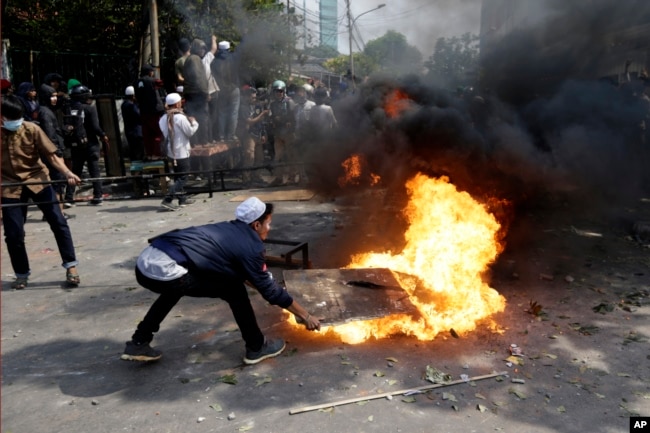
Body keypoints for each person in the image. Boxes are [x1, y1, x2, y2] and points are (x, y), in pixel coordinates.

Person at [120, 196, 321, 364]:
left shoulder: (229, 229)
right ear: (256, 224)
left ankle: (139, 342)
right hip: (167, 271)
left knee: (174, 290)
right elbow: (270, 291)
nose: (270, 227)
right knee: (234, 291)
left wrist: (261, 284)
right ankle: (256, 347)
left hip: (146, 264)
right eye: (268, 222)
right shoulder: (251, 246)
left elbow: (246, 276)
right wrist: (306, 315)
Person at [1, 95, 82, 289]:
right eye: (9, 119)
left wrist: (68, 173)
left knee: (58, 222)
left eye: (17, 118)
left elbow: (52, 157)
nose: (14, 122)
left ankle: (71, 266)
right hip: (9, 186)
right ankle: (21, 274)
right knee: (13, 234)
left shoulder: (32, 129)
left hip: (39, 180)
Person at [63, 84, 110, 206]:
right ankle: (98, 196)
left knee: (75, 171)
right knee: (94, 170)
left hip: (75, 144)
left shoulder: (68, 108)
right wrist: (103, 135)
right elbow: (95, 127)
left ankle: (68, 198)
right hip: (90, 144)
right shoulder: (89, 108)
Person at [158, 93, 199, 211]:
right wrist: (195, 122)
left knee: (177, 176)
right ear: (177, 103)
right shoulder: (180, 118)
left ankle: (182, 198)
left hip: (171, 152)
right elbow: (190, 132)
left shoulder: (163, 118)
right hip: (181, 152)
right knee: (183, 177)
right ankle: (168, 199)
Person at [37, 83, 71, 218]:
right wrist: (58, 153)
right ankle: (58, 213)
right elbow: (50, 135)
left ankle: (55, 212)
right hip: (53, 152)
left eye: (55, 96)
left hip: (53, 150)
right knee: (57, 182)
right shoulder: (45, 112)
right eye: (52, 96)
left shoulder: (47, 111)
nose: (54, 99)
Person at [183, 38, 210, 145]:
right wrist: (205, 93)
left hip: (192, 93)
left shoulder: (191, 58)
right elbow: (198, 78)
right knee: (202, 118)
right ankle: (203, 141)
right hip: (197, 94)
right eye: (201, 48)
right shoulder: (195, 59)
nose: (203, 50)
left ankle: (195, 142)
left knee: (193, 117)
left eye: (204, 48)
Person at [212, 40, 240, 142]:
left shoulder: (214, 61)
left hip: (221, 90)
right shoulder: (234, 57)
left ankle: (221, 136)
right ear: (228, 49)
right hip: (233, 88)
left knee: (222, 113)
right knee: (233, 113)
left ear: (219, 49)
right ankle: (231, 135)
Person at [134, 65, 164, 159]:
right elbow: (160, 83)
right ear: (149, 72)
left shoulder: (136, 82)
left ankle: (149, 154)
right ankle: (156, 154)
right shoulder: (152, 81)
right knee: (158, 133)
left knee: (147, 134)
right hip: (154, 112)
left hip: (143, 112)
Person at [121, 85, 144, 161]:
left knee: (133, 152)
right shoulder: (132, 106)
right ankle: (137, 171)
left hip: (129, 131)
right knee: (138, 153)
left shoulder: (124, 104)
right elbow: (139, 116)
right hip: (137, 132)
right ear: (133, 95)